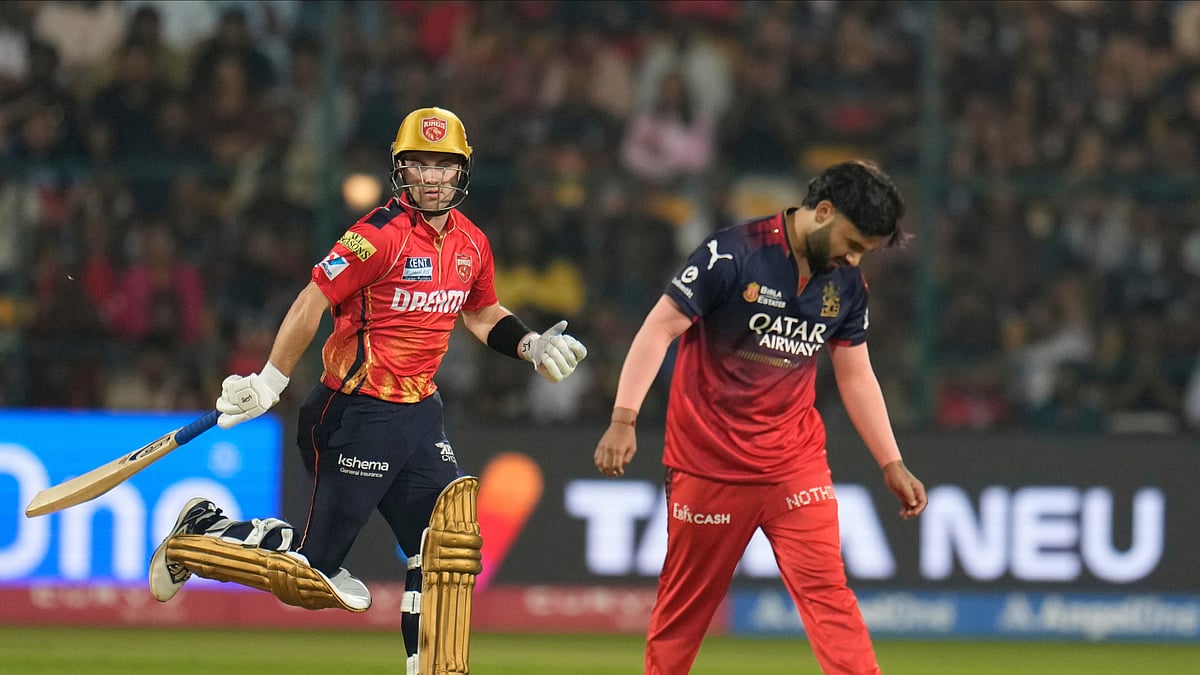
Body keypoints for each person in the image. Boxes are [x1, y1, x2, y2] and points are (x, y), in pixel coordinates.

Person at [148, 107, 587, 667]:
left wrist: (528, 345)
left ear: (462, 171)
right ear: (401, 169)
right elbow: (313, 300)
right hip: (352, 413)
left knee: (443, 552)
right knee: (313, 576)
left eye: (444, 165)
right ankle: (199, 534)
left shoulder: (472, 243)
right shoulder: (376, 237)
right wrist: (272, 379)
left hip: (419, 414)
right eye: (421, 165)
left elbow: (479, 312)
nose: (432, 177)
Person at [593, 160, 927, 674]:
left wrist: (892, 461)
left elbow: (856, 375)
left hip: (795, 465)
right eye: (853, 243)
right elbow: (659, 328)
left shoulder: (847, 287)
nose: (855, 259)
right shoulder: (731, 253)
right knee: (685, 614)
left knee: (828, 595)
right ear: (823, 211)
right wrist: (624, 418)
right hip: (709, 467)